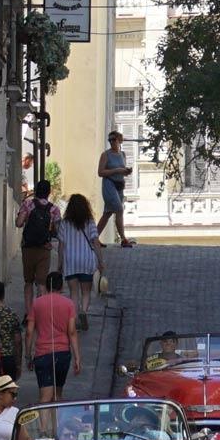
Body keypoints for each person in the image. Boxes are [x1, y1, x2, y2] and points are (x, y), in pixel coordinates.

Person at [27, 271, 81, 403]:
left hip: (42, 354)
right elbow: (72, 332)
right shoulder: (69, 304)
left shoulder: (36, 303)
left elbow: (29, 331)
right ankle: (56, 423)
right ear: (62, 287)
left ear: (46, 286)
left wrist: (28, 355)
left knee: (44, 396)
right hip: (62, 353)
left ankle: (44, 424)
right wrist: (77, 357)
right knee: (57, 394)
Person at [58, 190, 102, 325]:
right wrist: (100, 261)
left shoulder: (64, 223)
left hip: (70, 261)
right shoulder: (89, 221)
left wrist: (59, 264)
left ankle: (75, 318)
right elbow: (95, 242)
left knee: (73, 293)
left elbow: (61, 245)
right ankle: (84, 311)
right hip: (86, 260)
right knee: (86, 291)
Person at [18, 180, 59, 300]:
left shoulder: (27, 204)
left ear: (35, 191)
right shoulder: (54, 209)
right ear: (49, 192)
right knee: (42, 283)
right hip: (44, 248)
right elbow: (57, 231)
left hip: (28, 248)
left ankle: (29, 314)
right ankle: (41, 314)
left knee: (28, 282)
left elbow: (19, 223)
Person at [99, 130, 136, 248]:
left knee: (107, 213)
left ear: (119, 140)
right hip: (109, 185)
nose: (111, 142)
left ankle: (93, 237)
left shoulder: (122, 154)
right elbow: (100, 172)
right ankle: (124, 239)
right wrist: (116, 171)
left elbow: (122, 170)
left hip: (119, 185)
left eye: (113, 139)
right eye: (109, 140)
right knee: (119, 210)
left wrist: (126, 171)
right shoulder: (105, 155)